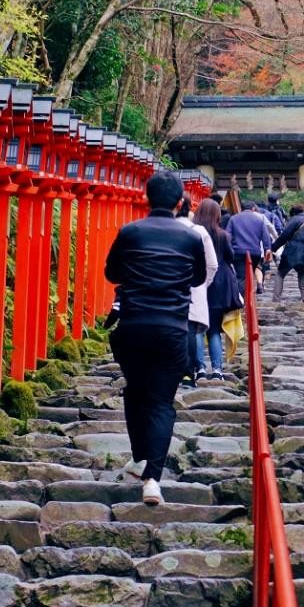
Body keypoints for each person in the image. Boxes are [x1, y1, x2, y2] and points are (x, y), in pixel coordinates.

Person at [102, 171, 215, 504]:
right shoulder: (190, 237)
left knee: (135, 392)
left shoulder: (130, 232)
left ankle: (140, 459)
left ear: (146, 198)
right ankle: (152, 476)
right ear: (181, 203)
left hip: (134, 324)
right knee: (162, 401)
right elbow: (196, 278)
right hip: (173, 328)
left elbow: (112, 272)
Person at [187, 199, 236, 377]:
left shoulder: (191, 233)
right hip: (219, 285)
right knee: (215, 329)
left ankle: (200, 367)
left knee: (197, 328)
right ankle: (217, 369)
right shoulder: (222, 235)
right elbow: (230, 257)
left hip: (197, 282)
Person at [270, 203, 304, 299]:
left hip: (292, 252)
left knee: (280, 274)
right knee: (303, 284)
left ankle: (276, 300)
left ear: (293, 213)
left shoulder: (294, 220)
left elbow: (284, 236)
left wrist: (273, 248)